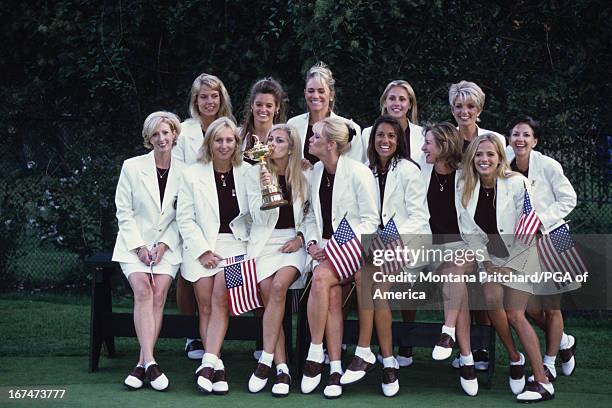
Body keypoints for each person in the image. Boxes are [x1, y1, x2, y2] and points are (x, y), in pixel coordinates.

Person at [458, 133, 554, 402]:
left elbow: (530, 229)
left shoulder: (516, 183)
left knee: (515, 314)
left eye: (490, 154)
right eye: (479, 154)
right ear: (472, 158)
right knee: (490, 299)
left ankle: (542, 382)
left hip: (522, 255)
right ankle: (514, 358)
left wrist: (510, 269)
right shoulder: (466, 187)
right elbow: (471, 234)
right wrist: (486, 263)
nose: (484, 159)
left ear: (500, 157)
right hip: (491, 258)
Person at [340, 116, 430, 397]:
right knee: (365, 277)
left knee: (373, 282)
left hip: (406, 242)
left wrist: (389, 239)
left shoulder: (409, 170)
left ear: (399, 141)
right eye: (380, 135)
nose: (385, 141)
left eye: (391, 136)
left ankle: (369, 353)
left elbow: (419, 216)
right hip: (375, 245)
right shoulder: (364, 170)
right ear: (372, 139)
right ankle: (386, 361)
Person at [299, 117, 379, 399]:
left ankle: (314, 352)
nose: (310, 138)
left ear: (331, 144)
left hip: (352, 250)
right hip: (321, 249)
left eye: (316, 136)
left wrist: (336, 244)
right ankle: (334, 368)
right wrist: (311, 243)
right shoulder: (315, 172)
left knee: (321, 279)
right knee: (331, 296)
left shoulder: (359, 173)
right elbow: (309, 215)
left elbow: (371, 221)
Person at [176, 117, 251, 395]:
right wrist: (203, 250)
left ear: (236, 143)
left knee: (220, 296)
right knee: (205, 302)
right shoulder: (192, 173)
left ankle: (207, 364)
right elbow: (185, 219)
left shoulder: (249, 172)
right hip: (201, 246)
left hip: (237, 246)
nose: (224, 145)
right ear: (209, 143)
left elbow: (256, 216)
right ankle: (215, 365)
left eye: (229, 140)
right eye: (218, 140)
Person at [113, 111, 185, 391]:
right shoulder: (131, 167)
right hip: (134, 246)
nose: (161, 138)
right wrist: (140, 247)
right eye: (155, 134)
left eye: (166, 132)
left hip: (169, 247)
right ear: (148, 139)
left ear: (174, 135)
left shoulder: (186, 170)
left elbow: (184, 215)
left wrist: (164, 245)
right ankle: (151, 362)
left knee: (158, 294)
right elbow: (124, 211)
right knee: (143, 290)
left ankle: (143, 363)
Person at [507, 116, 578, 379]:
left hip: (554, 237)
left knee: (552, 307)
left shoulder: (548, 165)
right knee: (532, 309)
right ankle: (564, 343)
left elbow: (569, 198)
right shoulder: (504, 163)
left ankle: (548, 362)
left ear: (535, 140)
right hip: (524, 243)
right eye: (515, 134)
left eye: (526, 135)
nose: (520, 139)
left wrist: (540, 221)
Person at [173, 73, 235, 360]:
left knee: (219, 289)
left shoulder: (231, 128)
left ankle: (216, 344)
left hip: (221, 216)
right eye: (203, 96)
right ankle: (192, 335)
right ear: (195, 101)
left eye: (214, 96)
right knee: (190, 276)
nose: (209, 101)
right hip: (187, 207)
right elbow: (177, 172)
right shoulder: (184, 131)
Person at [246, 124, 309, 397]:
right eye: (269, 139)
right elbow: (257, 219)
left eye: (279, 140)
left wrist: (301, 238)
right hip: (264, 241)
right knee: (268, 292)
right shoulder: (254, 172)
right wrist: (264, 184)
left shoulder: (306, 173)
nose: (272, 144)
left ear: (291, 146)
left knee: (279, 287)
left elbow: (314, 213)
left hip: (294, 241)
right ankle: (281, 367)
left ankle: (265, 360)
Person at [420, 122, 479, 396]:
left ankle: (447, 332)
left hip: (465, 244)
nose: (423, 148)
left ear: (443, 146)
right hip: (432, 248)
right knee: (456, 285)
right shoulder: (420, 172)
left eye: (428, 143)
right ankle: (465, 357)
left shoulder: (467, 177)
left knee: (452, 272)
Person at [287, 62, 363, 168]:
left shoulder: (349, 127)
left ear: (331, 94)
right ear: (305, 94)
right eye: (311, 91)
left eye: (321, 91)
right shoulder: (293, 125)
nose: (315, 95)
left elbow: (356, 166)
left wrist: (315, 170)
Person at [361, 80, 424, 164]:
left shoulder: (422, 135)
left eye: (402, 99)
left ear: (410, 104)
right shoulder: (367, 134)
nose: (397, 103)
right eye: (392, 98)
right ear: (384, 103)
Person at [449, 80, 505, 152]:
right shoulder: (446, 140)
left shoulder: (496, 139)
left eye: (470, 106)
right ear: (453, 110)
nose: (464, 112)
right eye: (459, 106)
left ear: (479, 111)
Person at [239, 77, 288, 153]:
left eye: (269, 106)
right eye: (259, 105)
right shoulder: (237, 135)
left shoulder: (285, 139)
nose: (263, 109)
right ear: (252, 105)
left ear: (277, 107)